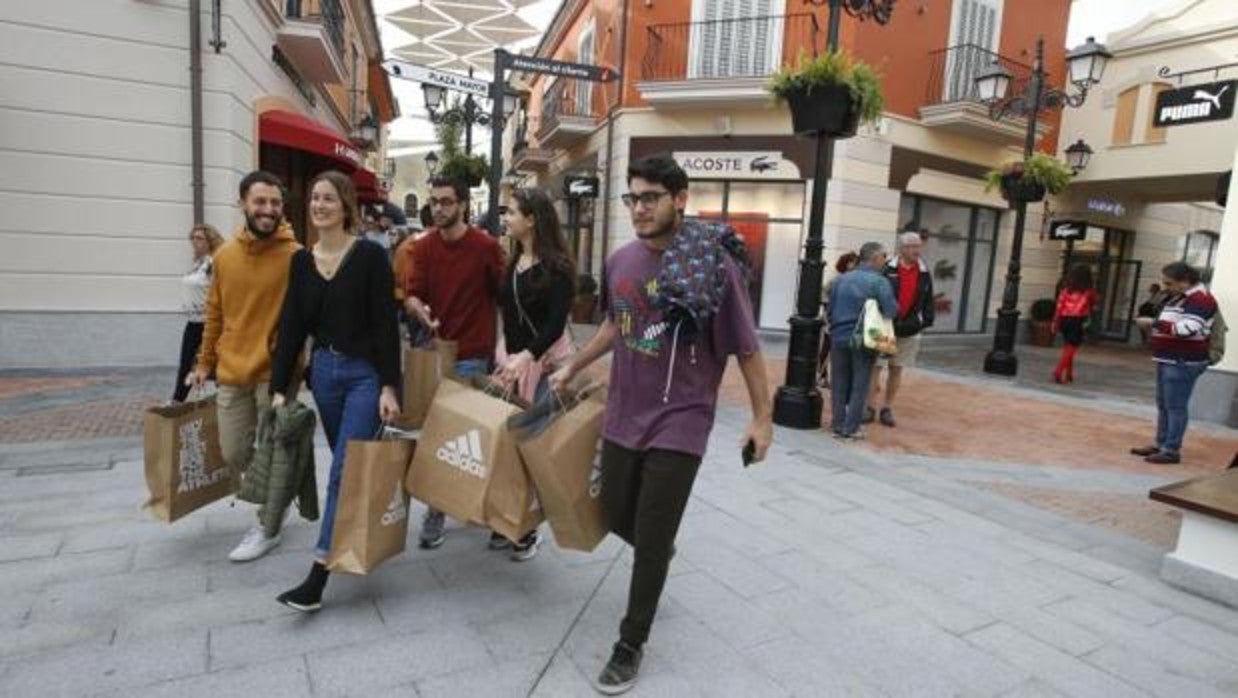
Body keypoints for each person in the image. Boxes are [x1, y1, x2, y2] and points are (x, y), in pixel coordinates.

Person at [549, 154, 773, 695]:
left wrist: (762, 420)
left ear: (680, 199)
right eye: (633, 198)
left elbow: (746, 347)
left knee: (650, 536)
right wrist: (573, 365)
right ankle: (658, 545)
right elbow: (615, 324)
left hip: (683, 417)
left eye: (651, 197)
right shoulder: (621, 261)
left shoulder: (711, 267)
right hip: (625, 411)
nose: (640, 208)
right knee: (614, 511)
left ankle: (630, 643)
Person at [269, 171, 401, 612]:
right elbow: (292, 327)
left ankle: (318, 574)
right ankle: (355, 534)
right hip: (324, 374)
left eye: (328, 198)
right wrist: (279, 388)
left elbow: (385, 326)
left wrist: (390, 385)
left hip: (364, 375)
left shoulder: (369, 256)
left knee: (343, 470)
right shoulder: (301, 262)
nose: (319, 205)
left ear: (346, 206)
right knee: (348, 467)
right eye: (314, 198)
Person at [188, 170, 300, 562]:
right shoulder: (225, 257)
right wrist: (204, 363)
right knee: (233, 451)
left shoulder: (295, 255)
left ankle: (267, 522)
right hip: (232, 370)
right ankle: (277, 493)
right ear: (243, 204)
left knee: (272, 450)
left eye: (274, 203)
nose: (268, 210)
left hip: (277, 373)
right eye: (260, 202)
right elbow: (214, 314)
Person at [404, 176, 505, 549]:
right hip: (435, 355)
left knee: (460, 437)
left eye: (446, 201)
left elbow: (504, 296)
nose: (439, 208)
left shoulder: (485, 247)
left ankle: (459, 507)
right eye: (434, 201)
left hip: (473, 355)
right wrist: (420, 310)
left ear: (462, 204)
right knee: (438, 437)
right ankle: (441, 509)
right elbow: (412, 295)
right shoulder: (425, 246)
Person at [492, 188, 575, 561]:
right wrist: (505, 352)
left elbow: (556, 325)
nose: (506, 218)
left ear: (532, 219)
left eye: (511, 212)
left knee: (529, 445)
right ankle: (509, 519)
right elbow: (508, 314)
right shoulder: (513, 262)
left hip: (547, 366)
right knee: (508, 445)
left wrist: (527, 356)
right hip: (512, 362)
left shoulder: (557, 267)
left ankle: (525, 528)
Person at [1131, 262, 1218, 465]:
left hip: (1183, 360)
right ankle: (1161, 443)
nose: (1165, 285)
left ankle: (1171, 450)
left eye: (1169, 282)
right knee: (1164, 404)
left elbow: (1188, 328)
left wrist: (1154, 323)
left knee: (1175, 406)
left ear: (1185, 281)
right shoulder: (1180, 296)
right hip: (1169, 357)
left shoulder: (1201, 299)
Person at [827, 242, 897, 440]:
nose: (885, 260)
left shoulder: (841, 279)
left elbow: (830, 309)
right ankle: (851, 427)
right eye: (884, 256)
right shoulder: (879, 282)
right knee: (860, 383)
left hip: (839, 335)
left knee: (839, 382)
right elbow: (891, 310)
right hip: (864, 338)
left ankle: (838, 424)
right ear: (874, 258)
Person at [868, 231, 934, 426]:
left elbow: (928, 298)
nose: (917, 250)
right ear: (903, 249)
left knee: (897, 369)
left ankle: (887, 408)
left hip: (910, 329)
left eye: (919, 246)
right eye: (913, 246)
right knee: (876, 367)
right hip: (884, 327)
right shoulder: (887, 269)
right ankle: (870, 406)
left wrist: (924, 321)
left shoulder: (923, 271)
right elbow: (874, 294)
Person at [172, 223, 224, 403]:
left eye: (200, 238)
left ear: (210, 240)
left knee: (212, 365)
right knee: (185, 364)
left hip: (207, 322)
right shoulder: (197, 263)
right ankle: (178, 401)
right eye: (193, 238)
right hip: (192, 321)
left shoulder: (214, 262)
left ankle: (222, 401)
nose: (195, 242)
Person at [1051, 264, 1099, 384]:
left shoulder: (1066, 290)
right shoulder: (1088, 291)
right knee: (1072, 346)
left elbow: (1059, 306)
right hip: (1078, 320)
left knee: (1068, 345)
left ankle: (1069, 374)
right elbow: (1094, 304)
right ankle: (1058, 371)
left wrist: (1055, 321)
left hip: (1064, 319)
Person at [818, 252, 859, 389]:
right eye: (853, 261)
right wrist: (828, 307)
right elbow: (823, 294)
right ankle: (822, 376)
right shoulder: (836, 280)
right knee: (827, 346)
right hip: (833, 318)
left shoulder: (857, 280)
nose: (855, 265)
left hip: (849, 319)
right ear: (846, 263)